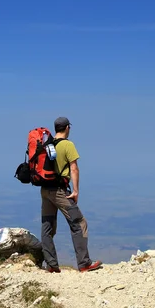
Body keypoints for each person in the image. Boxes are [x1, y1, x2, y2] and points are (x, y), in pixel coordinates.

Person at [41, 116, 102, 273]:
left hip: (45, 190)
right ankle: (84, 263)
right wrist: (75, 191)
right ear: (67, 127)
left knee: (47, 226)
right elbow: (74, 168)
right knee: (79, 223)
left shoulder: (47, 144)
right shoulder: (67, 145)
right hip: (60, 191)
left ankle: (51, 265)